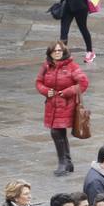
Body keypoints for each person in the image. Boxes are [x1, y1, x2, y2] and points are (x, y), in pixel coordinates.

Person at [35, 41, 89, 177]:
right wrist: (46, 91)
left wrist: (67, 91)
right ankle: (67, 162)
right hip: (51, 105)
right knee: (59, 133)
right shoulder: (46, 66)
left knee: (56, 132)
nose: (57, 53)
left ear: (64, 52)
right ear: (50, 53)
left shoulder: (72, 66)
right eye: (55, 51)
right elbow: (38, 82)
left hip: (66, 105)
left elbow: (83, 83)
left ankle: (63, 162)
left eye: (59, 50)